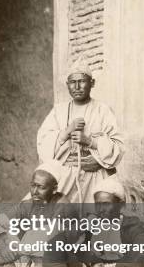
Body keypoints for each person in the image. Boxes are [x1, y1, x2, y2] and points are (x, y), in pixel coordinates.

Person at [36, 58, 124, 203]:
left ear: (92, 83)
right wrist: (66, 131)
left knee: (94, 218)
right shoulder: (59, 111)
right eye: (72, 82)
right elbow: (43, 145)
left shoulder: (103, 111)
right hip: (65, 177)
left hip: (96, 176)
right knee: (60, 215)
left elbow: (118, 148)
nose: (77, 86)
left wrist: (90, 142)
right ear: (67, 85)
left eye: (82, 81)